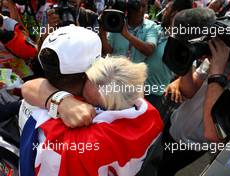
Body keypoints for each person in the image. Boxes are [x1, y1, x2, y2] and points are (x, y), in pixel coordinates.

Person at [20, 25, 163, 176]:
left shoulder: (39, 113)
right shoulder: (148, 112)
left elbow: (30, 87)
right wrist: (61, 101)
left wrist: (59, 100)